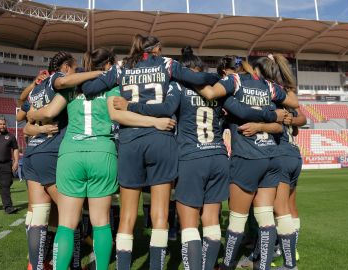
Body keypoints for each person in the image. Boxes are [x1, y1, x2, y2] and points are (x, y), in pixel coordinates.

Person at [113, 47, 283, 270]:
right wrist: (271, 116)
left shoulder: (178, 87)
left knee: (189, 225)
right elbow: (243, 112)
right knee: (212, 222)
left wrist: (131, 106)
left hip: (191, 159)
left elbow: (166, 109)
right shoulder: (218, 92)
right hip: (219, 157)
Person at [28, 48, 176, 270]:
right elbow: (118, 115)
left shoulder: (72, 87)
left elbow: (48, 113)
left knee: (66, 224)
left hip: (71, 154)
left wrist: (32, 115)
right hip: (102, 154)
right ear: (107, 65)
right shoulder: (111, 87)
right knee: (101, 223)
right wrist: (155, 122)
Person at [195, 55, 299, 270]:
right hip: (270, 155)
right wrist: (272, 116)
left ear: (228, 72)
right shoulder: (268, 86)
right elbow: (291, 107)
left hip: (247, 157)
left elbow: (219, 97)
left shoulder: (234, 84)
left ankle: (227, 265)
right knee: (266, 216)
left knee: (237, 218)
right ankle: (265, 267)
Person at [23, 51, 102, 270]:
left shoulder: (36, 89)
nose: (77, 74)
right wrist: (100, 73)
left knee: (40, 216)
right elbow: (62, 85)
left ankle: (36, 266)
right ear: (66, 67)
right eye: (75, 69)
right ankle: (71, 266)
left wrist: (33, 122)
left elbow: (24, 117)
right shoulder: (57, 81)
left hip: (32, 153)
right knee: (71, 216)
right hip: (51, 153)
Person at [255, 54, 306, 270]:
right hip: (294, 154)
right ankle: (290, 249)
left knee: (279, 209)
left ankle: (286, 257)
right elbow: (302, 118)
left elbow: (297, 119)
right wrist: (292, 120)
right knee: (290, 207)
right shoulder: (286, 92)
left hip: (281, 153)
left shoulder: (268, 92)